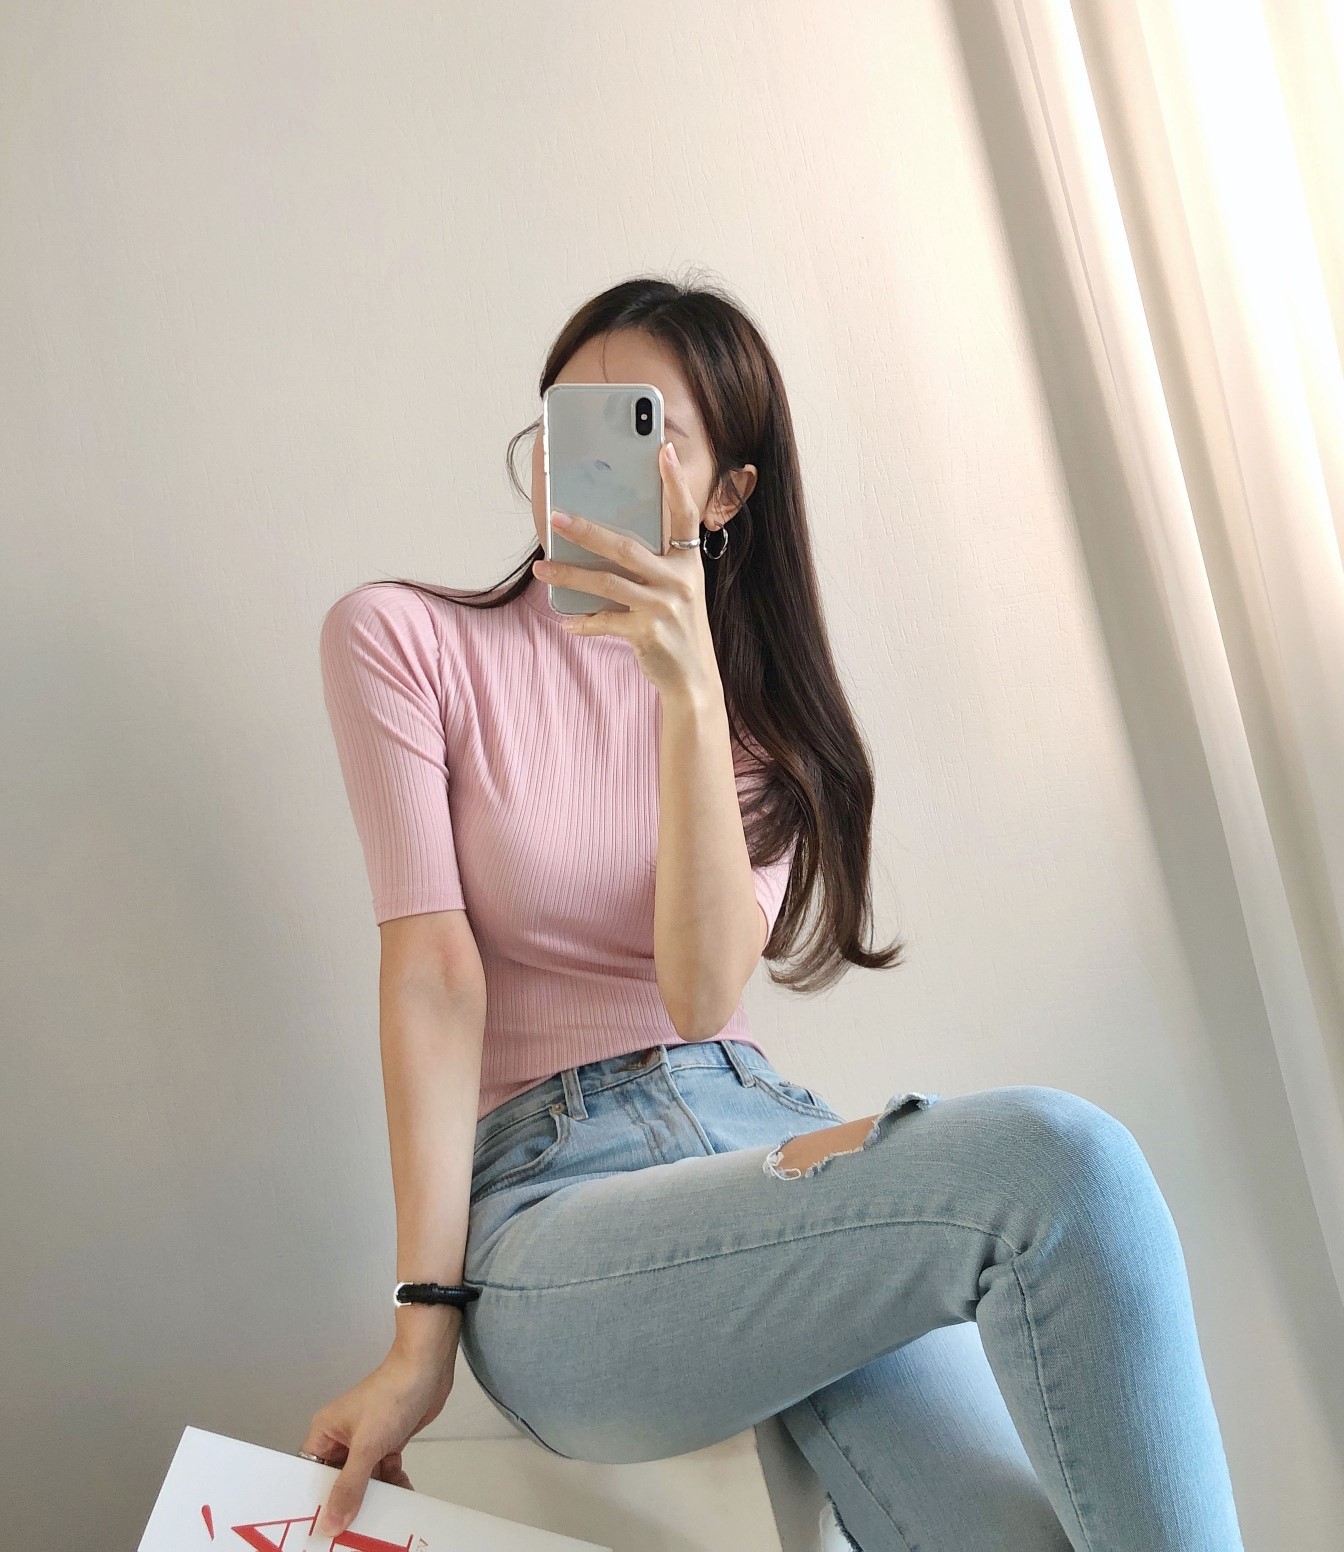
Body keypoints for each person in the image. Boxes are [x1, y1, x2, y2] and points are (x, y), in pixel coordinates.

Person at [299, 276, 1245, 1551]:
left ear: (727, 493)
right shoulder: (404, 642)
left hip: (765, 1150)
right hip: (552, 1213)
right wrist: (422, 1329)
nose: (585, 460)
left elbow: (699, 994)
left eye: (641, 427)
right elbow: (433, 977)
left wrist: (688, 690)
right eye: (566, 417)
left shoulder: (760, 726)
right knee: (1063, 1161)